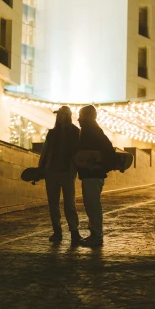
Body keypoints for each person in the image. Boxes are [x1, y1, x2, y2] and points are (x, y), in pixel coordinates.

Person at [38, 106, 81, 245]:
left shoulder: (75, 132)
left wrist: (76, 168)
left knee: (70, 203)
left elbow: (78, 153)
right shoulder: (52, 133)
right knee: (53, 203)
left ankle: (74, 231)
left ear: (67, 115)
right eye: (59, 114)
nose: (59, 116)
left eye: (62, 114)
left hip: (67, 172)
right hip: (51, 171)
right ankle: (57, 231)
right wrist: (41, 168)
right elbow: (45, 151)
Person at [76, 105, 117, 248]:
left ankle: (96, 236)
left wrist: (95, 163)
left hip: (92, 174)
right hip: (91, 174)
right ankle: (94, 234)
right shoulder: (92, 131)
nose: (78, 119)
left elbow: (109, 152)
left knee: (92, 205)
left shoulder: (91, 132)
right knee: (91, 204)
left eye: (81, 115)